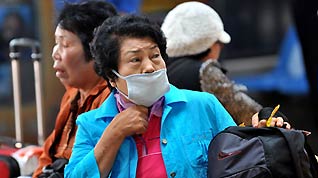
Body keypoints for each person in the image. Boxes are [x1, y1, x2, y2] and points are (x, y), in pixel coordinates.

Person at [64, 14, 289, 178]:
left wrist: (263, 137)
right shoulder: (91, 125)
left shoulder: (204, 106)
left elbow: (240, 164)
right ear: (111, 77)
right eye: (135, 60)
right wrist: (112, 134)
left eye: (155, 55)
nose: (150, 67)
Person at [32, 1, 118, 177]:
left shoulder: (112, 100)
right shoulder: (72, 95)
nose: (55, 53)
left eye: (65, 45)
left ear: (96, 51)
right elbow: (47, 157)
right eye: (56, 43)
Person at [161, 1, 262, 125]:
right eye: (218, 43)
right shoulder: (206, 71)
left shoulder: (159, 68)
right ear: (210, 45)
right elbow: (250, 115)